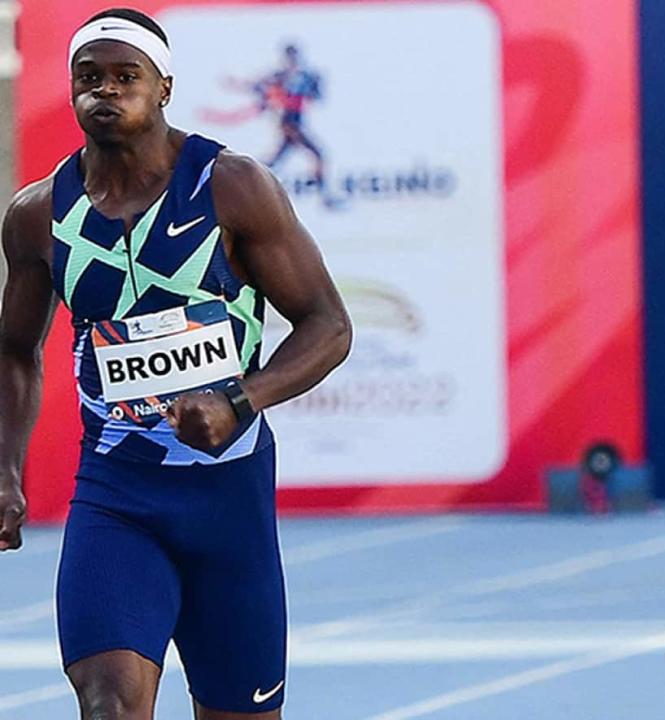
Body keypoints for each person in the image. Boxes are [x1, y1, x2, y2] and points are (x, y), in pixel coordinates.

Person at [0, 8, 351, 720]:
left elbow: (328, 326)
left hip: (229, 505)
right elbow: (14, 352)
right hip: (116, 498)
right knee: (110, 705)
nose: (106, 91)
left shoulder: (232, 187)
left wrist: (239, 401)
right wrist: (4, 471)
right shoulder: (39, 215)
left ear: (163, 87)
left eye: (125, 77)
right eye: (88, 77)